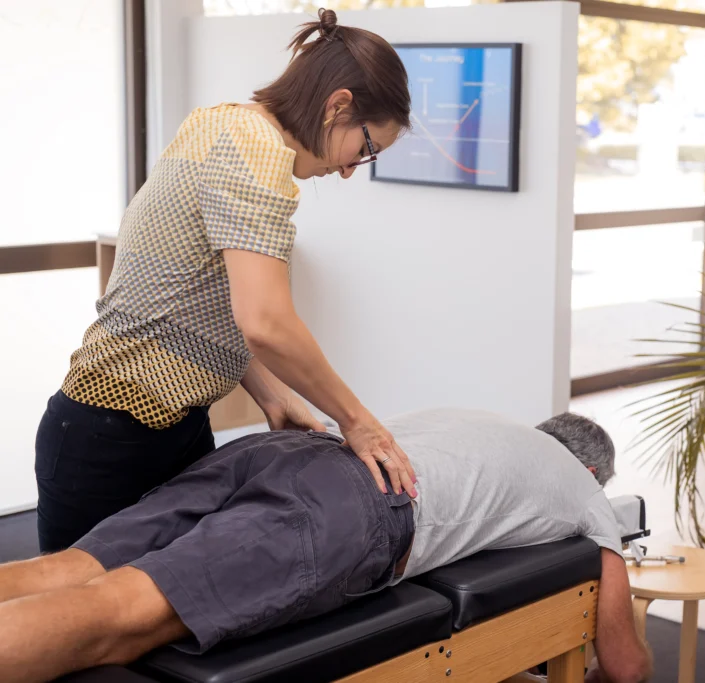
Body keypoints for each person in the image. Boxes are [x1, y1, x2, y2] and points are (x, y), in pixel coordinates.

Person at [34, 9, 419, 555]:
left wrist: (273, 394)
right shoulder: (256, 149)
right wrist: (359, 423)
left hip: (168, 427)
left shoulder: (222, 122)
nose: (353, 168)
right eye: (365, 148)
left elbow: (197, 299)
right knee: (71, 623)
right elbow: (264, 322)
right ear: (338, 106)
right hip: (112, 433)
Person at [0, 411, 653, 683]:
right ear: (596, 472)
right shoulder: (584, 490)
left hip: (283, 447)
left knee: (64, 571)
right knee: (116, 617)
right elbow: (624, 664)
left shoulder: (487, 423)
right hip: (352, 504)